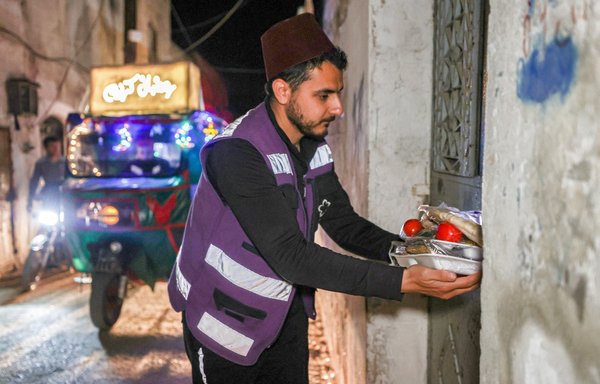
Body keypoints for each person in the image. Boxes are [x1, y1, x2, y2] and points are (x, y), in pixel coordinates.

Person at [167, 13, 481, 384]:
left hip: (284, 317)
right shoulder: (237, 153)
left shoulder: (312, 146)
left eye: (338, 94)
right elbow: (291, 256)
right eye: (324, 96)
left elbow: (343, 223)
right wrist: (405, 281)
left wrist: (410, 252)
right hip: (222, 326)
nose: (338, 109)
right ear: (283, 91)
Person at [28, 135, 65, 210]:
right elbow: (34, 181)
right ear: (46, 148)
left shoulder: (65, 162)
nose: (56, 149)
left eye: (57, 146)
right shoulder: (41, 163)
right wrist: (30, 199)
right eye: (52, 146)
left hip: (64, 192)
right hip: (48, 193)